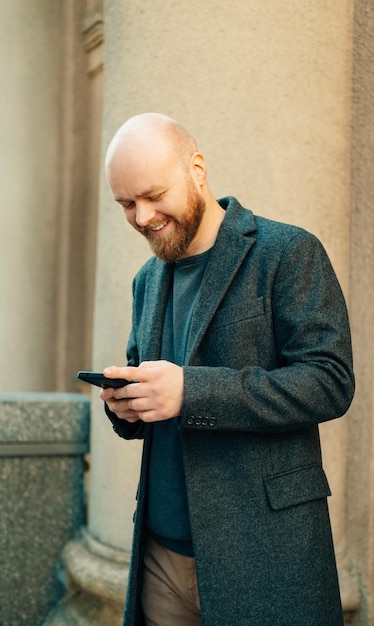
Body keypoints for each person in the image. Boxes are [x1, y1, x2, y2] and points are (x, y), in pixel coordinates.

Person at [100, 112, 355, 626]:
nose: (143, 216)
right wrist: (127, 405)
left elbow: (330, 382)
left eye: (153, 195)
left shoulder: (288, 251)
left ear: (197, 169)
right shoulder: (145, 281)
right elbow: (153, 392)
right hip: (160, 554)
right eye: (126, 204)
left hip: (264, 554)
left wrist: (191, 392)